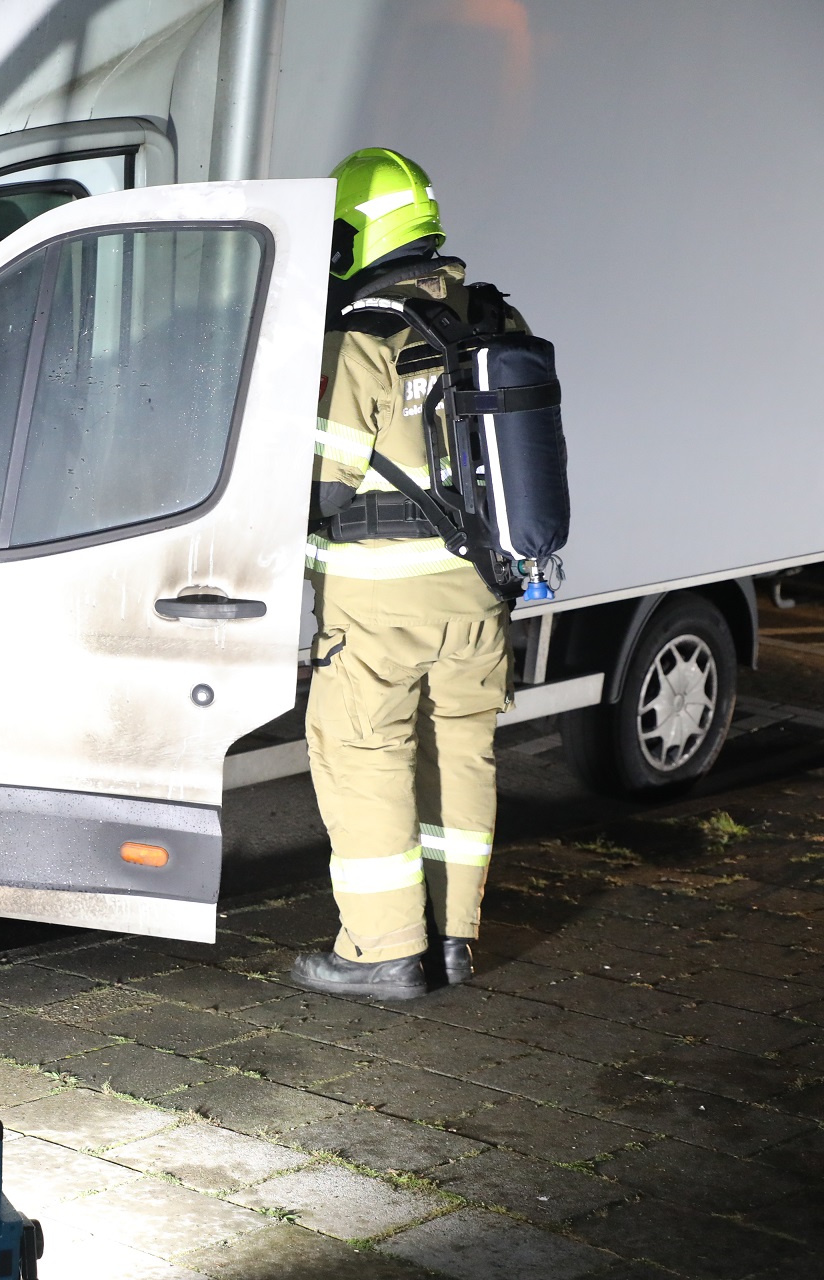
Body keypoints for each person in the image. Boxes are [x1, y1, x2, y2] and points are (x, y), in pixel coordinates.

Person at [290, 147, 527, 1000]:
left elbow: (321, 484)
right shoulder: (489, 319)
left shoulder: (361, 336)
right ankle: (454, 944)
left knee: (364, 758)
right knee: (459, 761)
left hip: (379, 608)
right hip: (478, 599)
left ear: (357, 231)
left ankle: (383, 950)